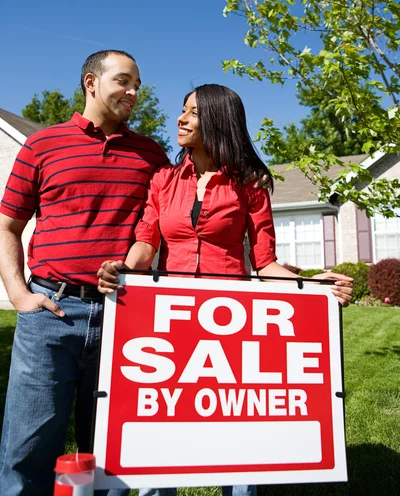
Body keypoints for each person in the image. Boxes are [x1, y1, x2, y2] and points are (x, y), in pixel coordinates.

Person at [0, 53, 272, 496]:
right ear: (91, 82)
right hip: (51, 310)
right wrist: (19, 294)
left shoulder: (153, 157)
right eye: (124, 81)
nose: (134, 92)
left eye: (138, 84)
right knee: (27, 448)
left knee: (116, 451)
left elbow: (152, 238)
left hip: (126, 316)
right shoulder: (42, 145)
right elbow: (8, 225)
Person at [97, 84, 353, 496]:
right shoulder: (163, 180)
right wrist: (122, 271)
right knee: (162, 427)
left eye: (193, 113)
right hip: (170, 320)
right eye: (182, 111)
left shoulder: (250, 184)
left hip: (229, 324)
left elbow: (265, 263)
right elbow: (146, 245)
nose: (180, 119)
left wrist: (315, 284)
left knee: (237, 432)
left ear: (218, 120)